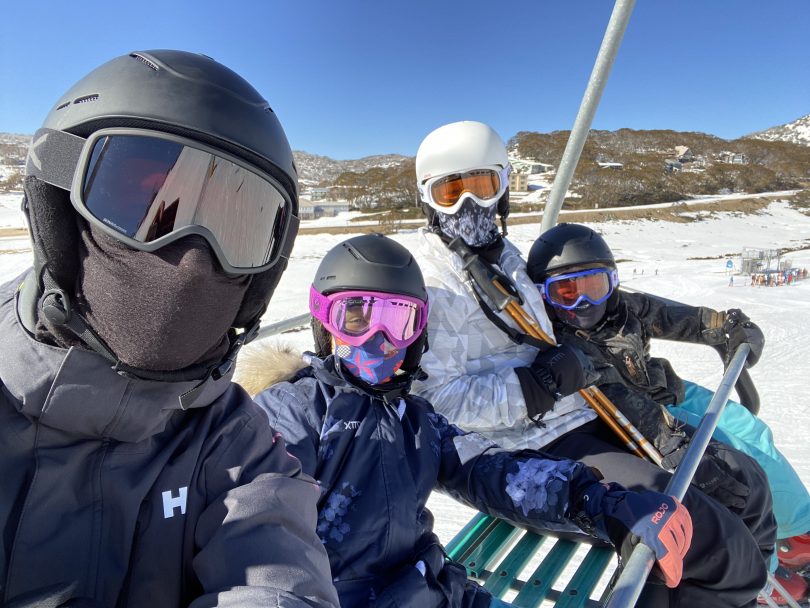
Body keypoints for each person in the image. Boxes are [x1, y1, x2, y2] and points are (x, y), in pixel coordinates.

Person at [0, 50, 339, 607]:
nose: (190, 261)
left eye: (237, 225)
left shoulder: (238, 448)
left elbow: (281, 582)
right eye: (145, 203)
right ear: (58, 209)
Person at [410, 120, 777, 607]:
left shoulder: (508, 260)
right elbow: (433, 406)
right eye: (449, 191)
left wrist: (708, 324)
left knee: (740, 481)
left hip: (581, 413)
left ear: (503, 187)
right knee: (704, 536)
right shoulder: (425, 284)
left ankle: (755, 582)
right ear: (426, 198)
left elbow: (609, 307)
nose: (468, 206)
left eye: (481, 186)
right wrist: (534, 385)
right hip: (514, 450)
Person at [244, 233, 693, 607]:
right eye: (357, 316)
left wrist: (596, 501)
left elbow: (490, 469)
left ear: (419, 333)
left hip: (437, 591)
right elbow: (253, 537)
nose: (380, 341)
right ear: (325, 323)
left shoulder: (416, 419)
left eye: (399, 321)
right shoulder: (294, 412)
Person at [526, 222, 810, 604]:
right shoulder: (560, 346)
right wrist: (675, 444)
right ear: (544, 297)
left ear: (612, 283)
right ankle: (769, 570)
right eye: (566, 292)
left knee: (752, 431)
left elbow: (682, 318)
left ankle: (800, 534)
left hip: (669, 391)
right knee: (738, 459)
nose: (583, 304)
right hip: (639, 417)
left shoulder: (626, 308)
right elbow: (616, 405)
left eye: (595, 286)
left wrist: (725, 327)